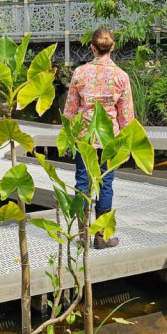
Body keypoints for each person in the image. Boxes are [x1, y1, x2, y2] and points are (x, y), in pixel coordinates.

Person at [63, 28, 135, 249]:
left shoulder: (80, 73)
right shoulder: (121, 77)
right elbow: (127, 116)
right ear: (112, 48)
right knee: (106, 184)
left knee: (82, 182)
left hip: (84, 138)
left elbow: (70, 110)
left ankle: (83, 235)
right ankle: (101, 236)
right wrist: (128, 146)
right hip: (109, 140)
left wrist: (67, 139)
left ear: (92, 48)